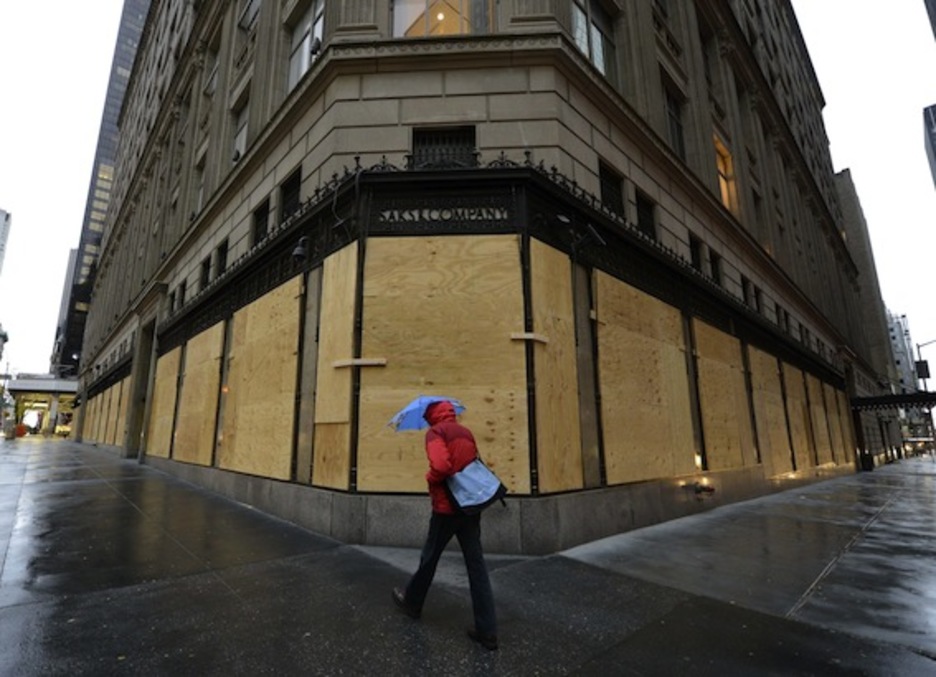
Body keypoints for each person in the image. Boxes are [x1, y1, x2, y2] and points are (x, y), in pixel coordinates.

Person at [392, 400, 498, 651]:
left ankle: (412, 603)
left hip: (447, 509)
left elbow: (441, 465)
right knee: (476, 566)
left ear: (430, 416)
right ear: (450, 412)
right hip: (470, 506)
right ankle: (487, 631)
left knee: (430, 558)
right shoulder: (465, 431)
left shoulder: (435, 433)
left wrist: (430, 477)